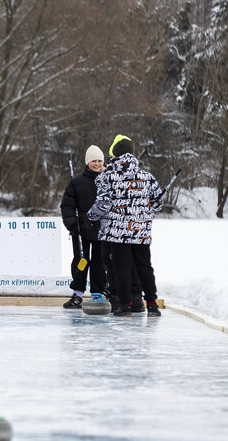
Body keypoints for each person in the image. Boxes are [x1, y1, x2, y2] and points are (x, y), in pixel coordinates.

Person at [88, 135, 163, 316]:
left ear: (114, 153)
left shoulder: (107, 177)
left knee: (122, 268)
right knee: (144, 266)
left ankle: (125, 305)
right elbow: (158, 203)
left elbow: (103, 204)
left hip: (118, 232)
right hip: (141, 231)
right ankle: (152, 304)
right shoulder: (147, 177)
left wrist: (90, 216)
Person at [99, 137, 145, 313]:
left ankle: (119, 299)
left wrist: (91, 217)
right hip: (136, 227)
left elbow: (103, 202)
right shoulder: (139, 172)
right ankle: (135, 299)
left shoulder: (111, 174)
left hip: (114, 226)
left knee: (112, 262)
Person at [60, 145, 107, 309]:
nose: (97, 164)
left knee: (99, 263)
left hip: (103, 231)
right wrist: (72, 224)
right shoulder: (77, 182)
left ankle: (98, 293)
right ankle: (77, 294)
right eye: (94, 160)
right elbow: (67, 206)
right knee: (81, 261)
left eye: (100, 160)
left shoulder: (109, 180)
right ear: (88, 162)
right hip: (81, 231)